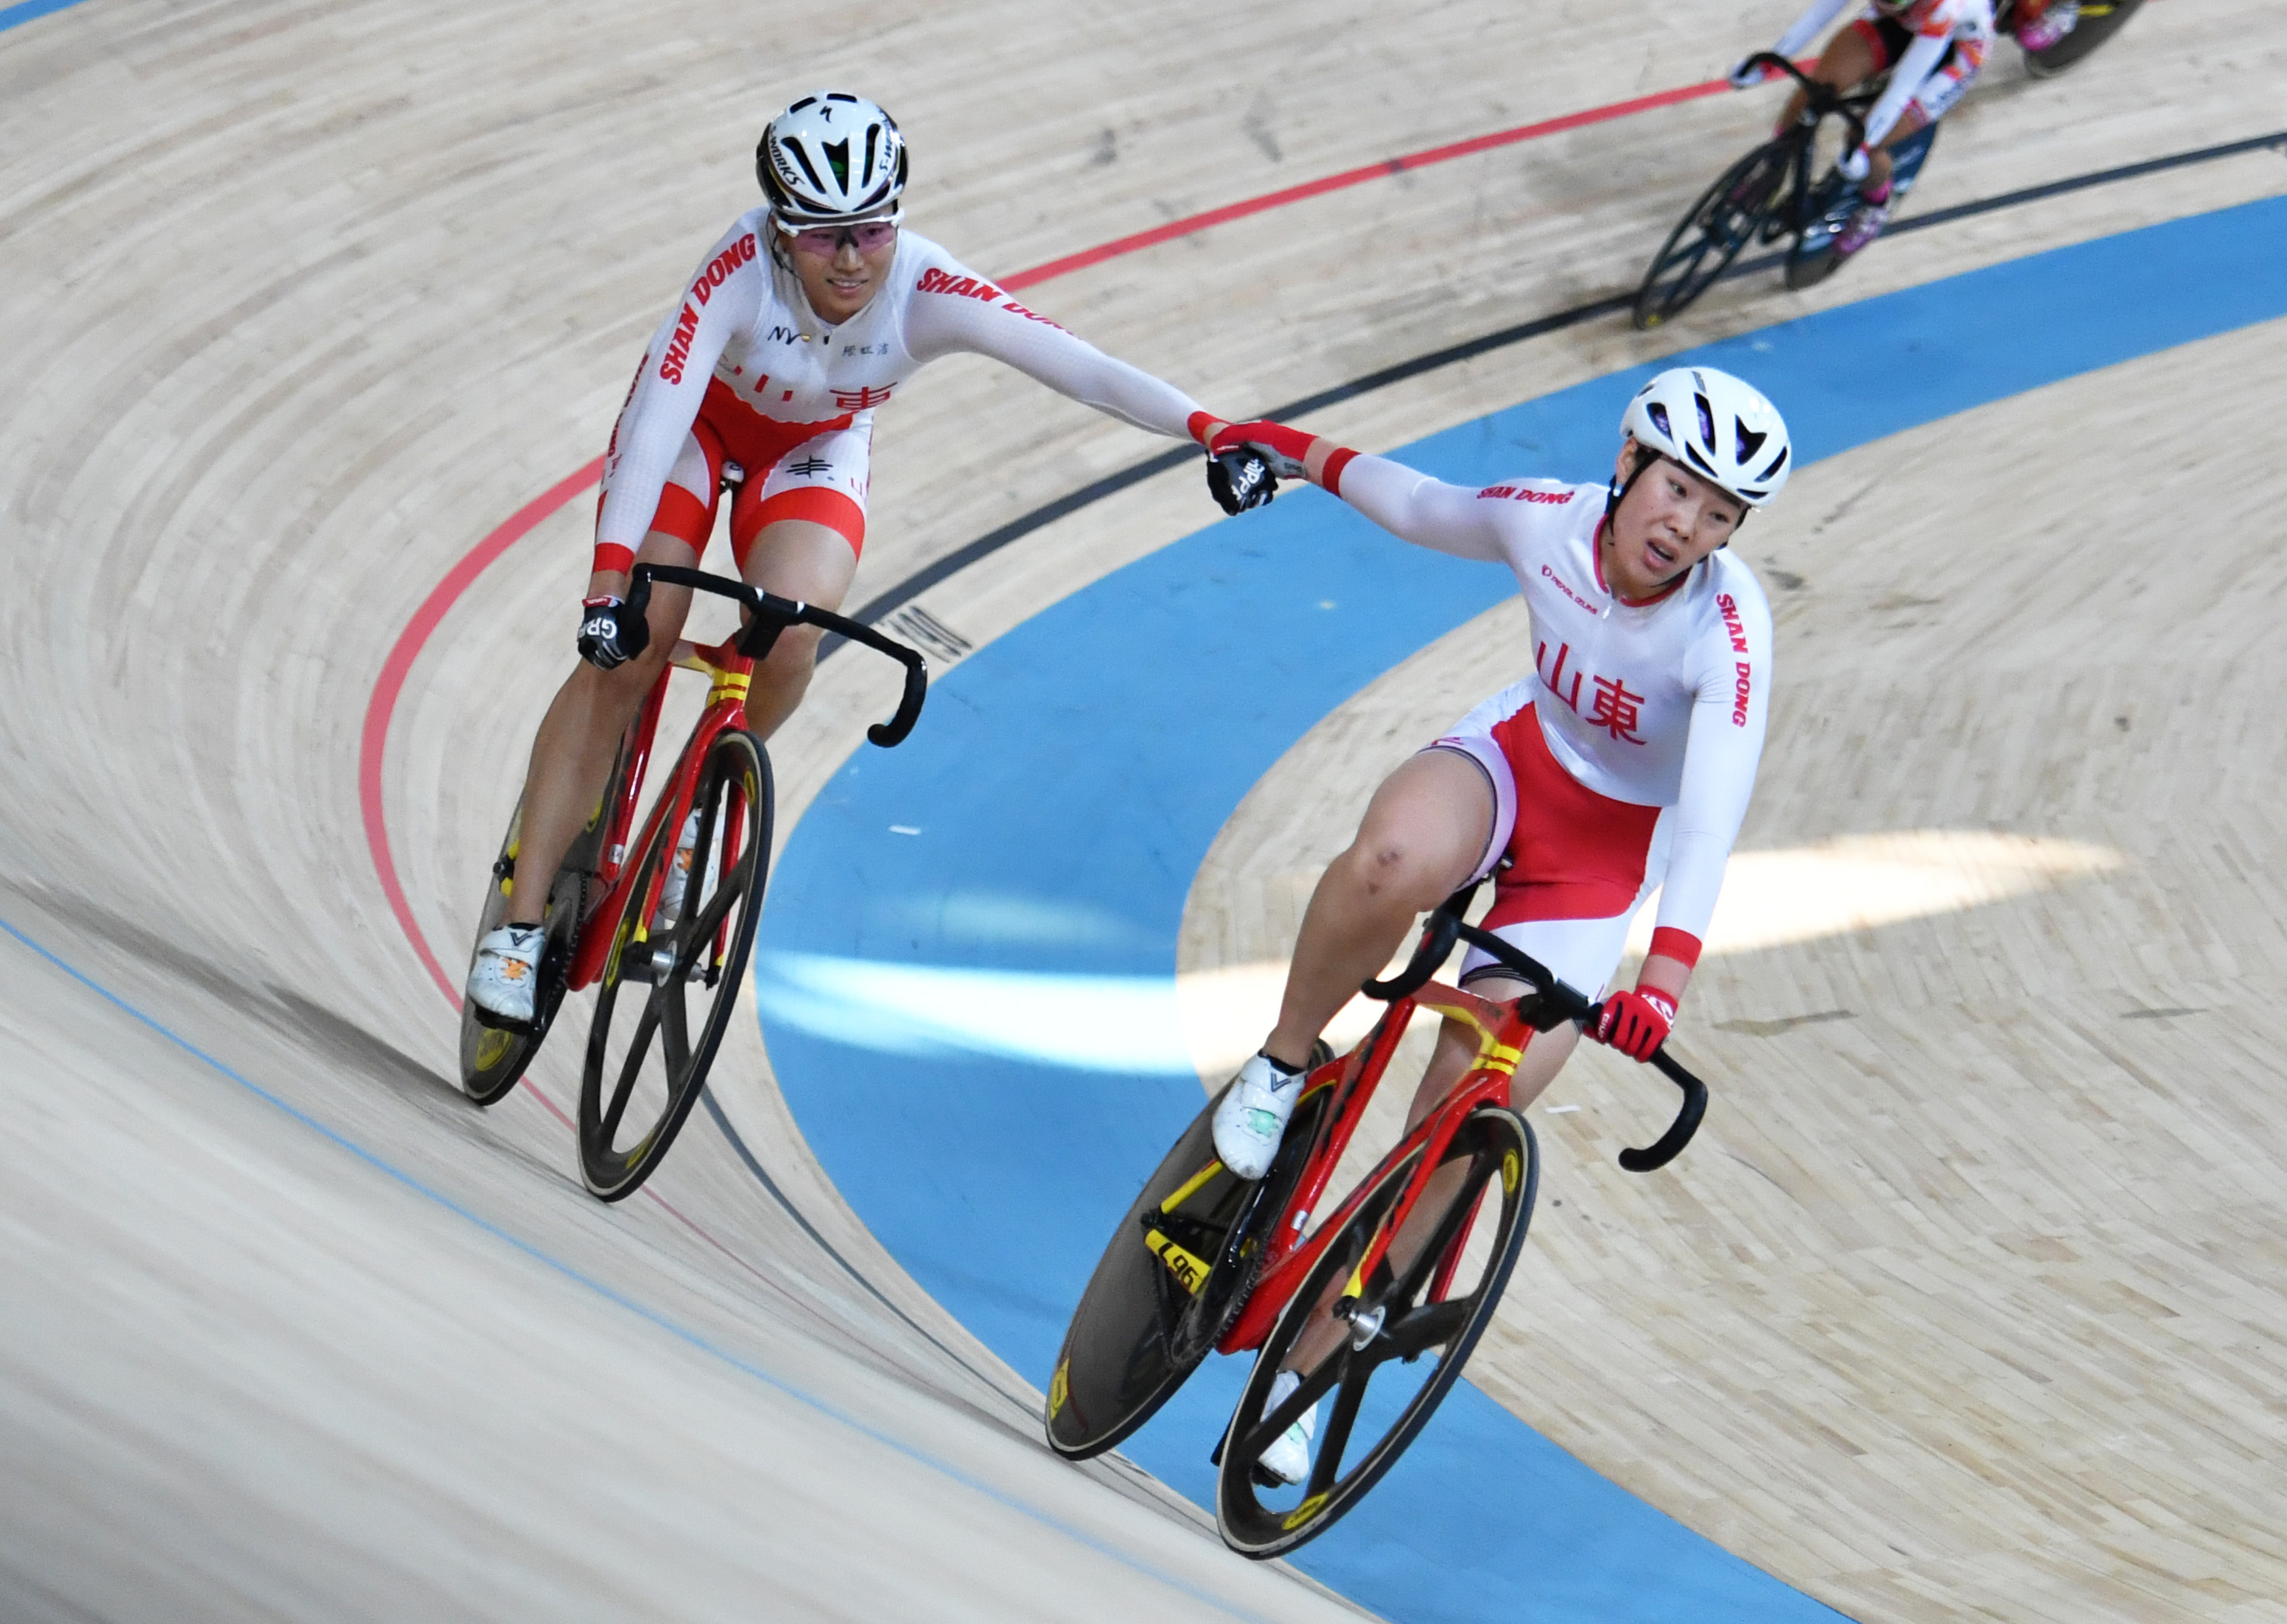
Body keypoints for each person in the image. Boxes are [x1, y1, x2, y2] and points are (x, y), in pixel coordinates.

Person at [467, 91, 1249, 1023]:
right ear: (778, 228)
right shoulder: (737, 272)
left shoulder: (926, 286)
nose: (849, 259)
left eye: (870, 232)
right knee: (636, 647)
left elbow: (1079, 364)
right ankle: (518, 930)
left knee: (790, 634)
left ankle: (692, 827)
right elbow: (654, 424)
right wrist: (607, 586)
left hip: (810, 456)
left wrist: (1209, 429)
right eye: (820, 236)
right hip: (693, 435)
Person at [1199, 366, 1790, 1483]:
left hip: (1597, 866)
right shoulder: (1548, 522)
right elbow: (1418, 503)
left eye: (1719, 513)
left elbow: (1711, 823)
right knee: (1389, 863)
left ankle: (1306, 1375)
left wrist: (1660, 981)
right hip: (1511, 767)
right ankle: (1280, 1065)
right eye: (1676, 490)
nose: (1688, 526)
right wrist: (1279, 445)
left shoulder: (1730, 632)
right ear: (1628, 463)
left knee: (1478, 1106)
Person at [1730, 0, 1998, 257]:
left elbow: (1903, 88)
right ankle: (1772, 167)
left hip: (1952, 54)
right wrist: (1768, 62)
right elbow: (1818, 15)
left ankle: (1876, 204)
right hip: (1899, 24)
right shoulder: (1893, 8)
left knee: (1865, 143)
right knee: (1813, 92)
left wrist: (1864, 143)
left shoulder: (1946, 7)